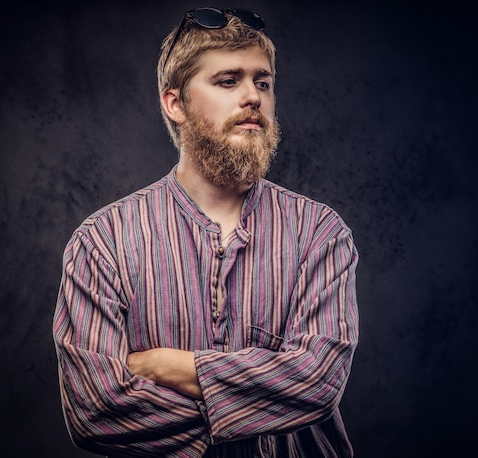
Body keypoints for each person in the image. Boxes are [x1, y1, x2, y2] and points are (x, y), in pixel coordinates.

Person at [52, 7, 359, 457]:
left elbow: (318, 380)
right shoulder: (104, 242)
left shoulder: (320, 234)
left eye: (263, 82)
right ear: (175, 103)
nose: (253, 97)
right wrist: (261, 400)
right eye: (228, 81)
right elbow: (93, 408)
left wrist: (172, 367)